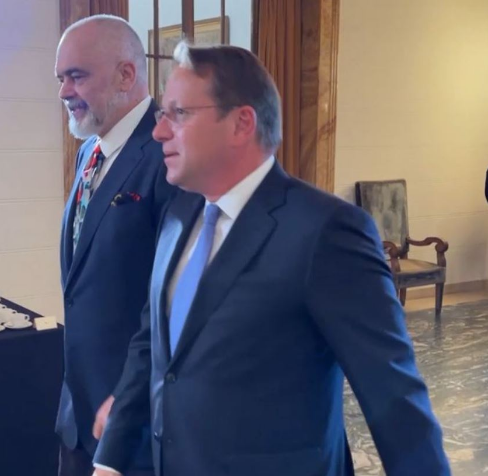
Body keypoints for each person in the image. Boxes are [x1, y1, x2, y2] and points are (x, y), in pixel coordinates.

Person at [93, 43, 450, 476]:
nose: (159, 132)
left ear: (241, 123)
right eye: (161, 115)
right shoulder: (179, 212)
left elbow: (394, 397)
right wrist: (110, 459)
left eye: (179, 114)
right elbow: (152, 343)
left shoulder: (325, 231)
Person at [54, 14, 175, 476]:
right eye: (61, 78)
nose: (64, 92)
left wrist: (129, 399)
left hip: (134, 422)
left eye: (77, 76)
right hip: (78, 415)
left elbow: (171, 301)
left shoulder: (169, 155)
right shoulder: (90, 151)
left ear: (126, 75)